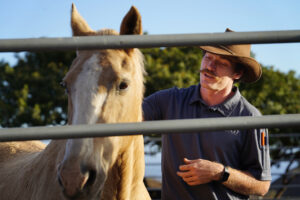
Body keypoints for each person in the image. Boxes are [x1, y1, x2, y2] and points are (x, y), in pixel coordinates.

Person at [142, 28, 272, 200]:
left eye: (222, 62)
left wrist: (219, 173)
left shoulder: (251, 118)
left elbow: (262, 186)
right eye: (208, 57)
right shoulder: (169, 100)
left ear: (237, 73)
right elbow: (125, 118)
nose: (209, 67)